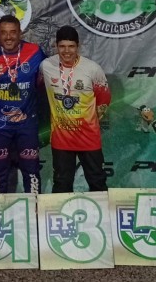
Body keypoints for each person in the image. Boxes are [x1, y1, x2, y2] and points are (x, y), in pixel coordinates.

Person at [40, 25, 111, 193]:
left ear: (78, 46)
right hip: (61, 139)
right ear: (56, 46)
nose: (67, 51)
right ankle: (60, 212)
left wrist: (90, 119)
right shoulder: (46, 66)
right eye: (62, 46)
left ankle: (102, 211)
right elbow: (39, 90)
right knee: (62, 184)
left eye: (71, 46)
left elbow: (104, 98)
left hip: (88, 137)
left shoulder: (92, 68)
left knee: (97, 182)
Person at [0, 15, 46, 194]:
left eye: (13, 32)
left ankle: (34, 207)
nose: (8, 37)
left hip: (27, 123)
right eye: (4, 33)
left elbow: (50, 74)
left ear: (20, 33)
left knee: (31, 171)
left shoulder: (35, 52)